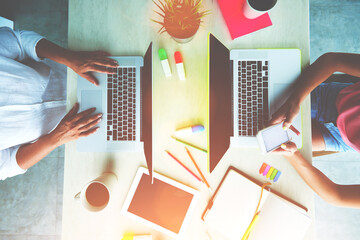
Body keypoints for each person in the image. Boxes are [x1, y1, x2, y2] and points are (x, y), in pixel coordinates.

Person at [0, 27, 118, 180]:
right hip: (78, 126)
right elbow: (8, 164)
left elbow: (19, 41)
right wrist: (56, 138)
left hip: (78, 71)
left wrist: (70, 57)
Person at [270, 52, 360, 208]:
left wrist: (294, 156)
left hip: (340, 139)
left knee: (263, 139)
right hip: (331, 98)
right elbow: (333, 60)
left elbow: (336, 195)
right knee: (265, 109)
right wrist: (296, 98)